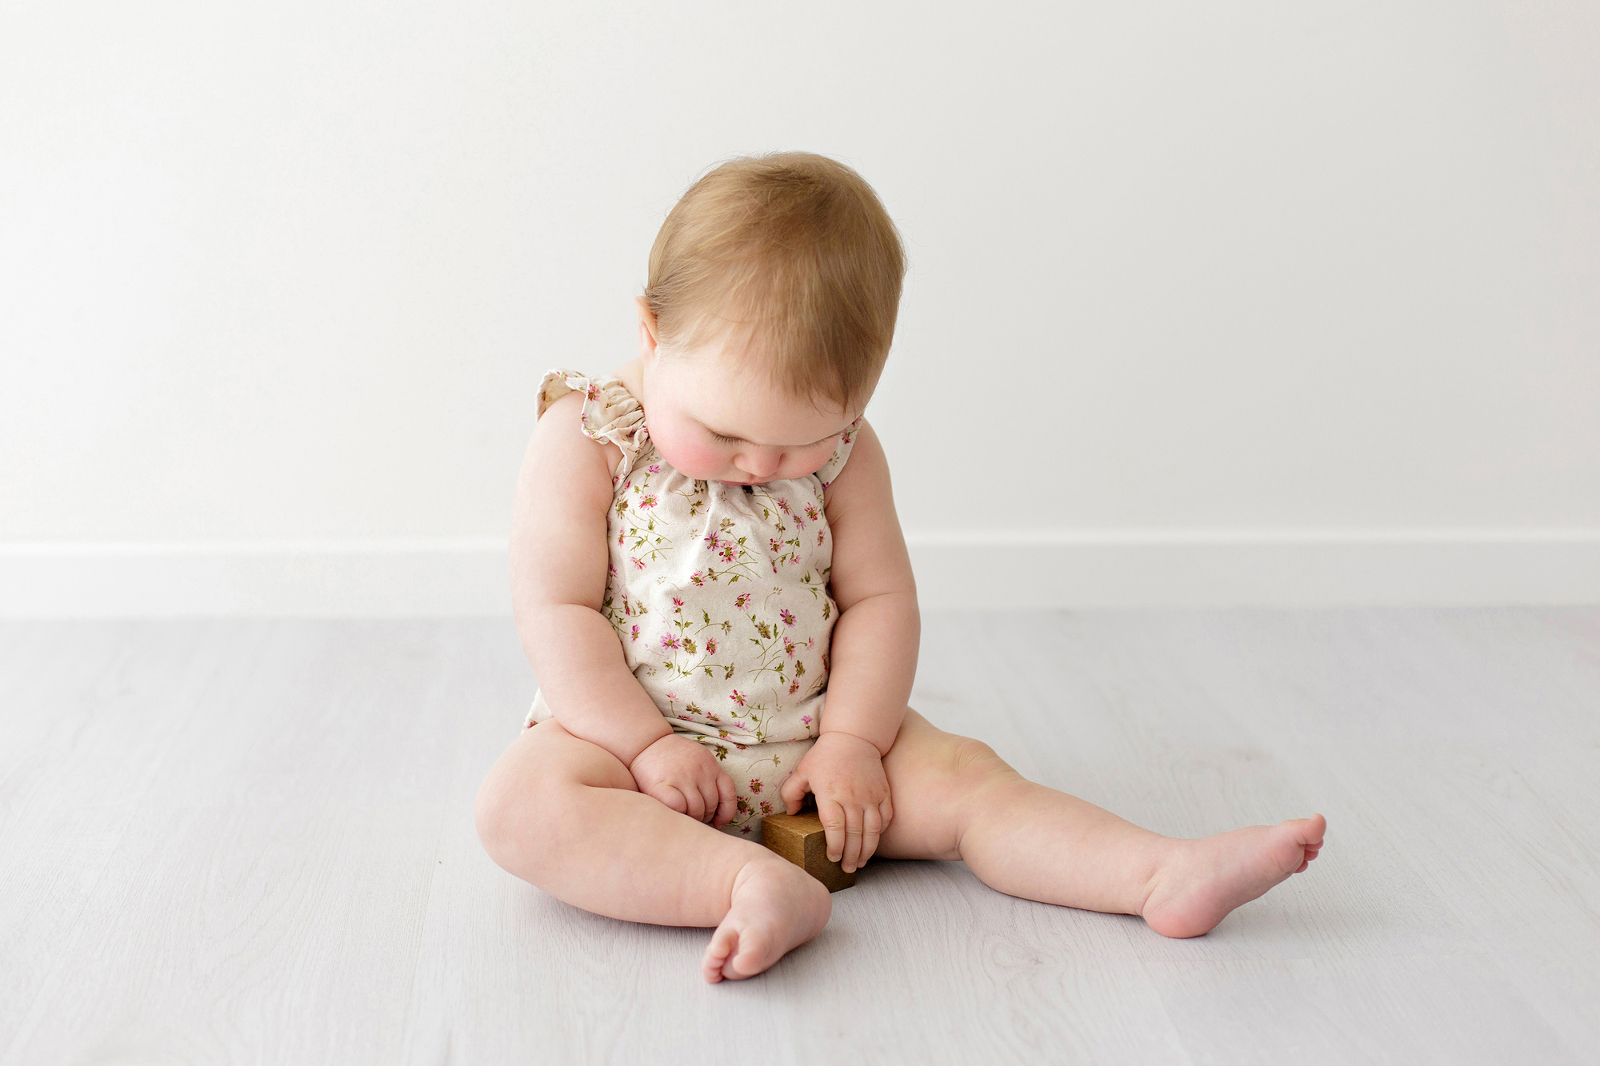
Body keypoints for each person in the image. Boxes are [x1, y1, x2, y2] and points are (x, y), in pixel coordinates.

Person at [475, 152, 1326, 983]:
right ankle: (744, 884)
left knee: (973, 782)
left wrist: (853, 741)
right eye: (727, 434)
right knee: (521, 807)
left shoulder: (845, 455)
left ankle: (1155, 873)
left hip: (818, 737)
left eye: (801, 440)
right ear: (652, 333)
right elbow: (557, 611)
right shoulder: (593, 437)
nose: (764, 465)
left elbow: (880, 597)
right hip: (635, 748)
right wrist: (646, 744)